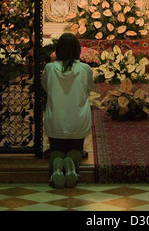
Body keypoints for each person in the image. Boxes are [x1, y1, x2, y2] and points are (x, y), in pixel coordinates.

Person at [41, 32, 94, 188]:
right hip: (78, 121)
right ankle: (71, 164)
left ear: (58, 50)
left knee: (56, 149)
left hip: (55, 120)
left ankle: (57, 167)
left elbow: (45, 87)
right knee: (76, 149)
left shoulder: (50, 68)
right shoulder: (85, 69)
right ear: (78, 50)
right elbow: (89, 88)